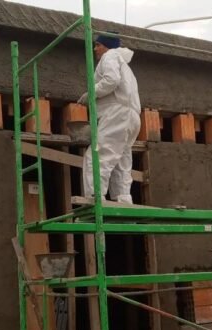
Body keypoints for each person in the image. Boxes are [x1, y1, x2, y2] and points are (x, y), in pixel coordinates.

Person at [78, 33, 141, 205]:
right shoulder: (126, 67)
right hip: (132, 117)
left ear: (107, 46)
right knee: (122, 158)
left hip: (117, 113)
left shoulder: (110, 56)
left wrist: (91, 93)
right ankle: (124, 199)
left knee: (97, 155)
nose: (95, 48)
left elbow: (111, 80)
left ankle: (94, 197)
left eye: (98, 45)